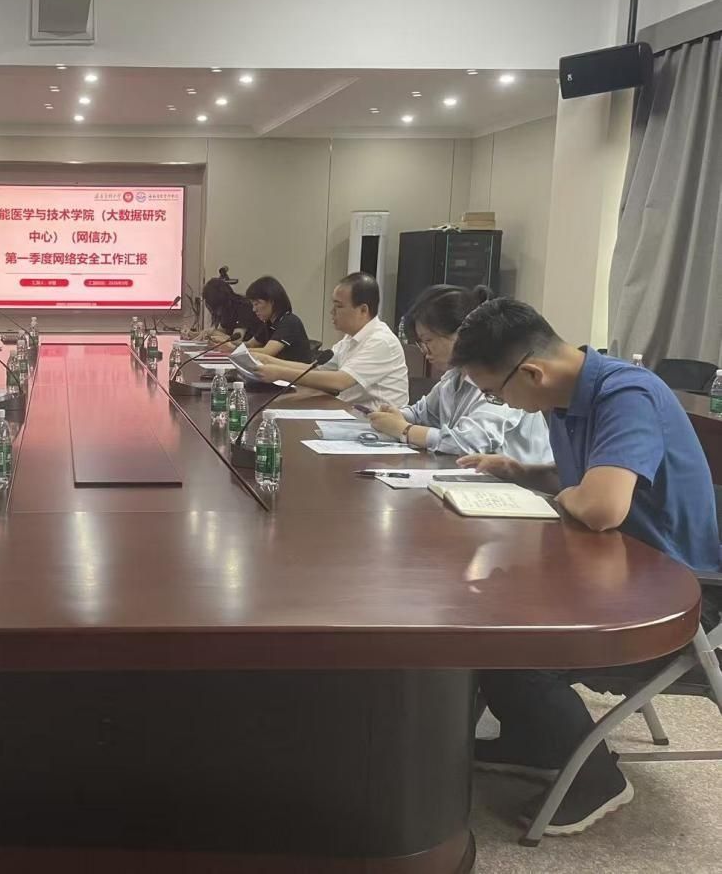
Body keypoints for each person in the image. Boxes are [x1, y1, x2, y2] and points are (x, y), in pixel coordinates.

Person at [450, 297, 721, 836]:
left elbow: (600, 507)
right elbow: (585, 481)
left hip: (678, 595)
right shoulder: (566, 396)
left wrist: (571, 495)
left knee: (514, 644)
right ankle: (532, 744)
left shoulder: (627, 394)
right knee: (480, 607)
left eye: (495, 392)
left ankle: (598, 779)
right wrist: (520, 470)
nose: (500, 404)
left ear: (531, 372)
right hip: (615, 568)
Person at [367, 284, 552, 462]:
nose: (424, 351)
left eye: (428, 340)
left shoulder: (499, 377)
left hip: (518, 481)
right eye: (420, 343)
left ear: (461, 333)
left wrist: (405, 430)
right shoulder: (454, 376)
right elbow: (422, 414)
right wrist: (395, 416)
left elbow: (470, 443)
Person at [258, 272, 408, 408]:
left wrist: (280, 373)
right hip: (351, 415)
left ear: (363, 310)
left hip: (374, 423)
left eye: (339, 306)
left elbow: (339, 382)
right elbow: (315, 369)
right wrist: (268, 360)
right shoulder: (350, 338)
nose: (332, 312)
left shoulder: (380, 341)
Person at [241, 275, 314, 363]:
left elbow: (267, 352)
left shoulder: (289, 321)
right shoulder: (269, 323)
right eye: (253, 304)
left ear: (272, 302)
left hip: (295, 371)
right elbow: (250, 344)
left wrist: (236, 351)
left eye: (257, 304)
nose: (254, 309)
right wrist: (230, 346)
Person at [199, 273, 256, 345]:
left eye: (218, 307)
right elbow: (221, 331)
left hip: (248, 348)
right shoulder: (226, 309)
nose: (218, 312)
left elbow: (237, 340)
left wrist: (213, 332)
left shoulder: (244, 307)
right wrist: (200, 334)